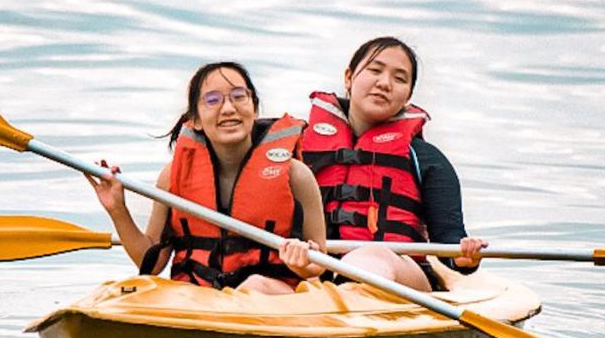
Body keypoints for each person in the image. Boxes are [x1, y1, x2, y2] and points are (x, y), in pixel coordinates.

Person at [87, 61, 325, 294]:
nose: (229, 108)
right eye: (213, 100)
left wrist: (302, 261)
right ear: (196, 119)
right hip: (202, 298)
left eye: (239, 96)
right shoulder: (173, 177)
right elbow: (151, 263)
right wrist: (117, 210)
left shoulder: (297, 176)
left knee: (255, 286)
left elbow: (319, 266)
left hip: (273, 295)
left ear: (254, 107)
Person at [300, 36, 488, 292]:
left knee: (371, 256)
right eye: (375, 70)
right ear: (349, 77)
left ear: (408, 95)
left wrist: (464, 257)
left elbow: (450, 245)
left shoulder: (426, 159)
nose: (384, 83)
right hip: (315, 268)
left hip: (401, 275)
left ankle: (342, 300)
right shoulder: (297, 147)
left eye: (399, 78)